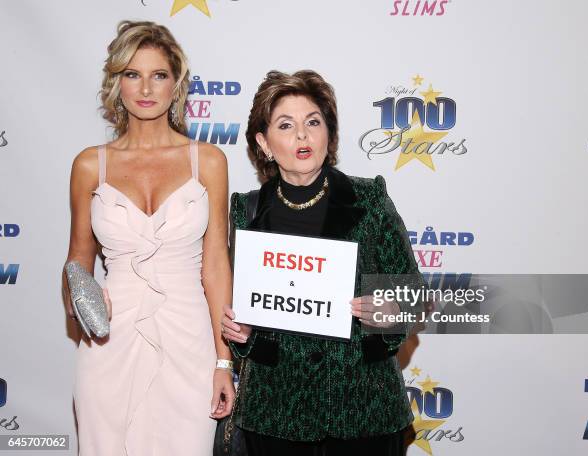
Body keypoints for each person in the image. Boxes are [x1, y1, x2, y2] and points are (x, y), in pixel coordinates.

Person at [221, 70, 424, 456]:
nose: (302, 135)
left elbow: (412, 293)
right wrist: (242, 335)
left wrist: (391, 312)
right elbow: (242, 312)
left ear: (328, 133)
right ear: (264, 143)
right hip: (275, 417)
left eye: (313, 122)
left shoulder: (370, 200)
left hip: (365, 414)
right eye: (286, 125)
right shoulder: (245, 211)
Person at [62, 21, 233, 456]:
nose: (146, 87)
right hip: (110, 339)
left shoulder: (208, 161)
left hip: (189, 338)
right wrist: (81, 301)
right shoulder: (89, 166)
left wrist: (223, 361)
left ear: (176, 84)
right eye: (132, 74)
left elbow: (215, 268)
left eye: (158, 75)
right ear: (116, 82)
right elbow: (77, 262)